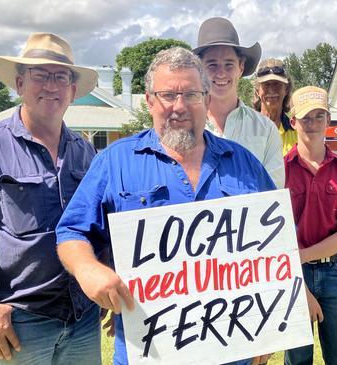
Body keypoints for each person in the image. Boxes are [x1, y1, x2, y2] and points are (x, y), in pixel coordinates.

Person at [54, 47, 276, 365]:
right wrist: (88, 270)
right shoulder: (114, 161)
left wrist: (268, 330)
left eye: (191, 95)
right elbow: (72, 231)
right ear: (149, 101)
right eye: (168, 95)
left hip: (232, 349)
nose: (180, 107)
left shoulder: (244, 163)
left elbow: (273, 247)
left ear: (207, 99)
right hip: (148, 350)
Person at [0, 32, 101, 364]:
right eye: (40, 75)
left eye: (61, 76)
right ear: (20, 84)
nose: (51, 85)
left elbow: (98, 228)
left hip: (82, 320)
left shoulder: (85, 153)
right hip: (18, 322)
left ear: (72, 90)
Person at [283, 86, 337, 365]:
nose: (313, 124)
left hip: (335, 272)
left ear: (329, 121)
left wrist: (303, 255)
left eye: (320, 116)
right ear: (293, 121)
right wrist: (296, 269)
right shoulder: (279, 170)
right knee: (297, 359)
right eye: (306, 117)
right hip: (294, 276)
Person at [192, 17, 285, 188]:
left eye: (229, 64)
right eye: (212, 65)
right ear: (199, 69)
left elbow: (273, 193)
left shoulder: (266, 130)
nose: (221, 73)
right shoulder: (184, 127)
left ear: (241, 67)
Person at [253, 58, 297, 155]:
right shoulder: (246, 128)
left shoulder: (296, 131)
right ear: (257, 91)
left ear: (286, 89)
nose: (272, 90)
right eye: (266, 84)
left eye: (277, 84)